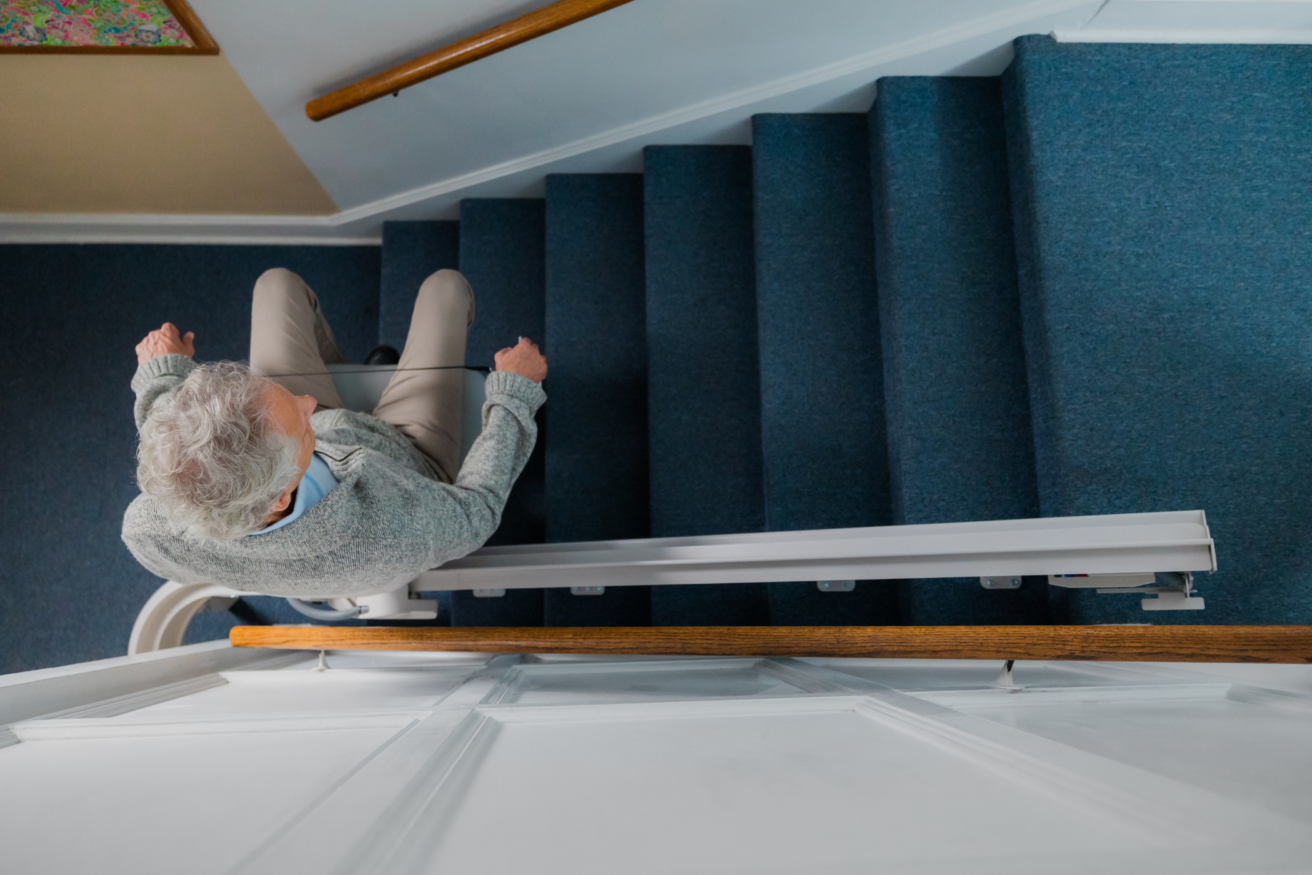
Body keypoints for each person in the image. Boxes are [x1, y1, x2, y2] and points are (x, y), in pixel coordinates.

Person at [121, 267, 546, 599]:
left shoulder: (148, 529)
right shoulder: (387, 532)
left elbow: (175, 450)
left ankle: (337, 372)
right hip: (406, 454)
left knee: (276, 285)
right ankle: (365, 375)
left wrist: (164, 376)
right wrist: (514, 397)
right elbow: (478, 510)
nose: (308, 403)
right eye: (301, 418)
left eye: (280, 395)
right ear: (282, 494)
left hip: (298, 444)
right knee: (446, 289)